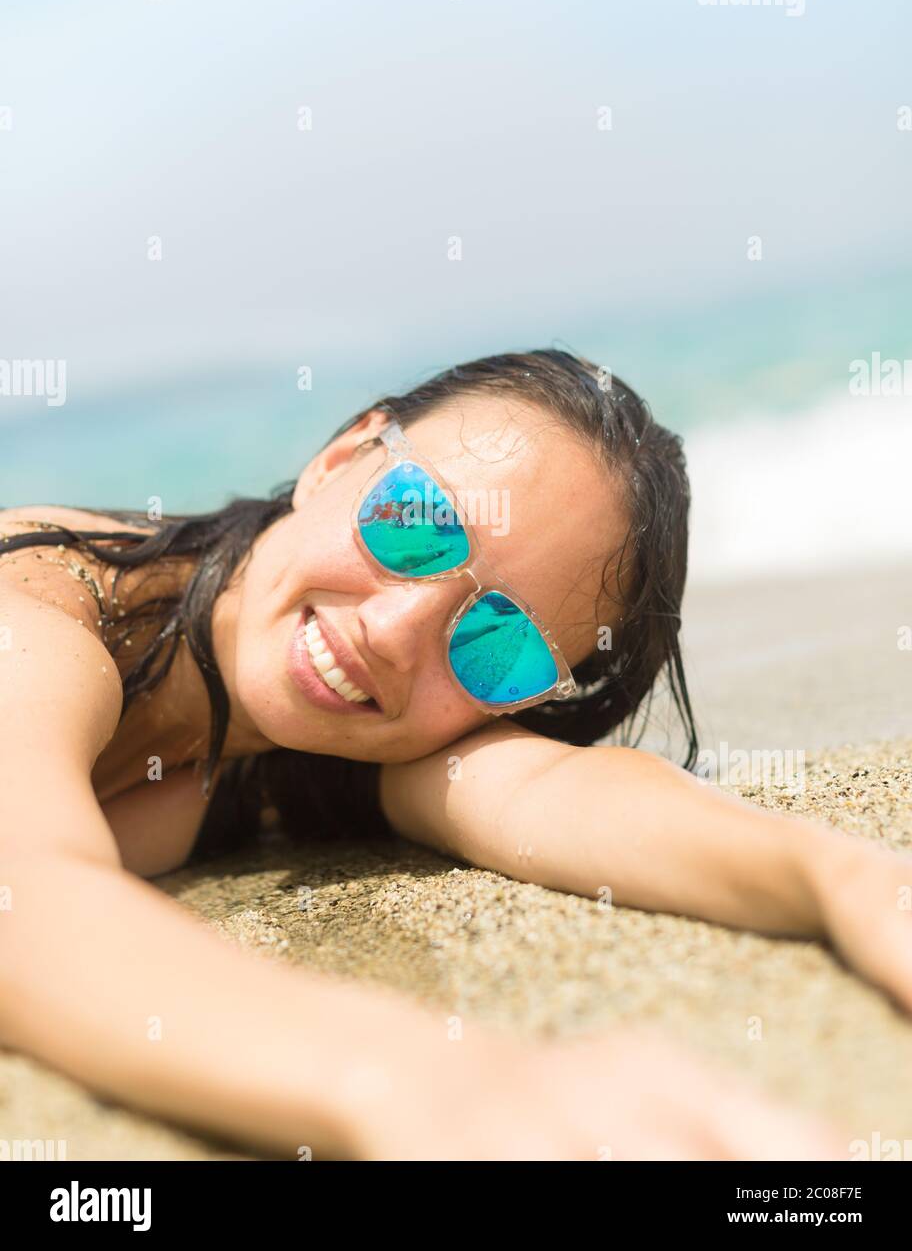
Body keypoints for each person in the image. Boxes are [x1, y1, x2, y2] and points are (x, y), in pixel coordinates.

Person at [1, 348, 899, 1159]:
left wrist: (843, 877)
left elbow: (543, 794)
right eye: (415, 520)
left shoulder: (339, 733)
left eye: (497, 646)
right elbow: (25, 896)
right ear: (341, 459)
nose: (396, 630)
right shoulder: (43, 613)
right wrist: (419, 1079)